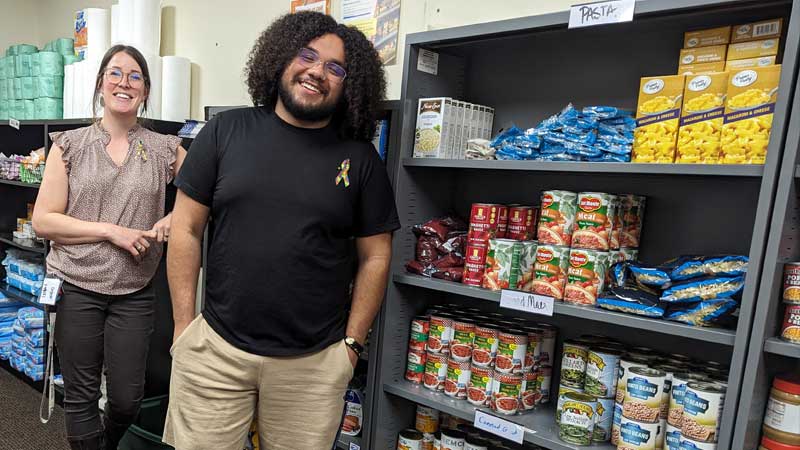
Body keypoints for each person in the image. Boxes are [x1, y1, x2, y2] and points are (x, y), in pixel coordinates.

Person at [164, 11, 399, 450]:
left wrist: (350, 346)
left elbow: (376, 256)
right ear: (280, 59)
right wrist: (183, 326)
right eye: (307, 55)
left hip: (313, 366)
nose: (317, 71)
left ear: (350, 85)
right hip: (214, 352)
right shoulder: (224, 132)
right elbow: (185, 229)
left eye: (335, 67)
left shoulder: (360, 159)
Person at [31, 45, 187, 450]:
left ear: (145, 91)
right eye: (115, 73)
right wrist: (111, 231)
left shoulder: (164, 148)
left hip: (134, 291)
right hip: (77, 284)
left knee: (125, 401)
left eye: (135, 76)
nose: (124, 82)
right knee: (81, 397)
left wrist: (177, 216)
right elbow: (44, 220)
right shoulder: (70, 145)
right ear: (101, 84)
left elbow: (206, 191)